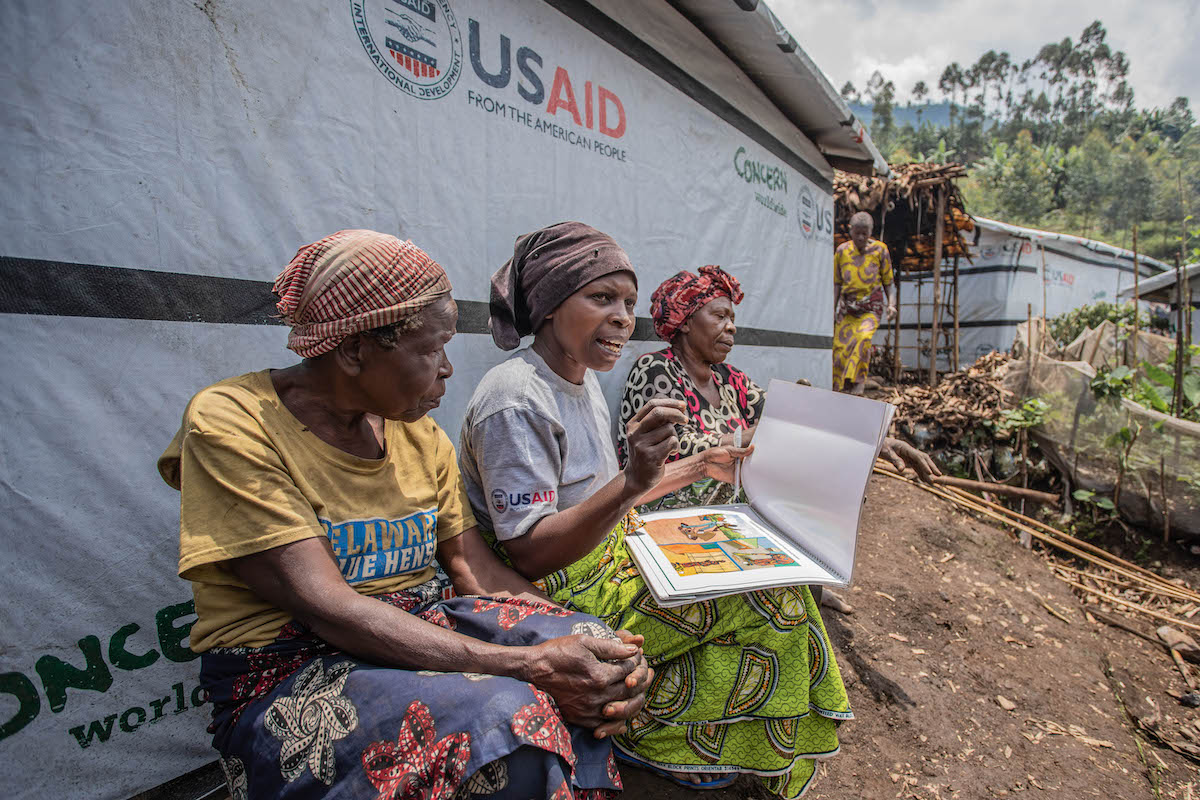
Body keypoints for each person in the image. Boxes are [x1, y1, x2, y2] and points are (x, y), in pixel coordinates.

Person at [157, 229, 653, 800]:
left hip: (420, 625)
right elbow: (329, 608)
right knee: (508, 710)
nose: (447, 369)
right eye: (431, 349)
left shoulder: (417, 433)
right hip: (289, 665)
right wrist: (530, 664)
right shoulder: (234, 424)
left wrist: (593, 646)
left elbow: (474, 571)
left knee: (594, 653)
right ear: (354, 350)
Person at [458, 222, 850, 798]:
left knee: (781, 581)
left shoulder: (580, 380)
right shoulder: (516, 399)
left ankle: (687, 732)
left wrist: (697, 466)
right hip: (561, 584)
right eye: (601, 298)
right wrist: (633, 486)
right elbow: (529, 553)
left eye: (628, 304)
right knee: (760, 598)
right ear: (546, 306)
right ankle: (651, 738)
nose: (622, 317)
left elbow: (604, 495)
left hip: (613, 546)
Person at [617, 265, 762, 507]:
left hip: (730, 514)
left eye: (732, 319)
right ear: (685, 322)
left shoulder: (732, 378)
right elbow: (672, 447)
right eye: (720, 316)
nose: (731, 327)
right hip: (667, 516)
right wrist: (744, 437)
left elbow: (771, 418)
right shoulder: (656, 369)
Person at [833, 211, 896, 394]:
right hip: (848, 309)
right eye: (857, 233)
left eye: (865, 233)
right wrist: (833, 308)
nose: (861, 237)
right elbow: (837, 283)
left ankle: (858, 382)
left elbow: (888, 282)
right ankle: (840, 388)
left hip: (871, 307)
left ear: (870, 232)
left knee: (863, 338)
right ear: (850, 231)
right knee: (839, 349)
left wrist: (891, 305)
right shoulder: (842, 251)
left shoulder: (880, 250)